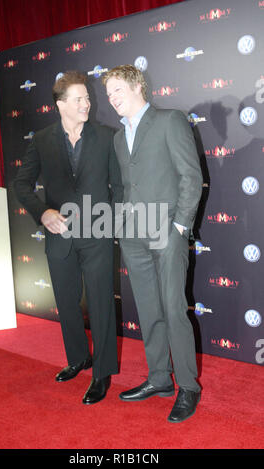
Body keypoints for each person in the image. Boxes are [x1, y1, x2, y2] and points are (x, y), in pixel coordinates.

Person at [14, 71, 123, 405]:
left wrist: (112, 223)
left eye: (88, 98)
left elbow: (118, 187)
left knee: (102, 302)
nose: (86, 104)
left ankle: (102, 373)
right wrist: (43, 213)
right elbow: (21, 184)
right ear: (60, 104)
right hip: (59, 235)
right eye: (79, 99)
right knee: (66, 300)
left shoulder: (107, 136)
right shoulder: (42, 140)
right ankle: (78, 358)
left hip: (97, 234)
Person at [103, 65, 203, 422]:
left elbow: (191, 176)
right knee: (148, 310)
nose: (112, 99)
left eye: (117, 90)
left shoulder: (169, 120)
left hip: (167, 232)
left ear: (136, 86)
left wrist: (179, 226)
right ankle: (160, 378)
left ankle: (188, 386)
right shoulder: (118, 138)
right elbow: (125, 188)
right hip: (133, 235)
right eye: (108, 93)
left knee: (174, 309)